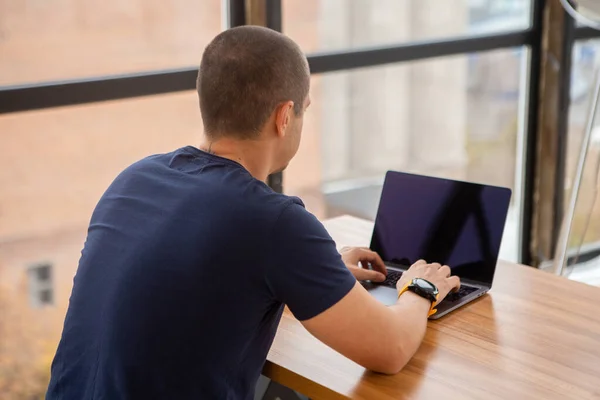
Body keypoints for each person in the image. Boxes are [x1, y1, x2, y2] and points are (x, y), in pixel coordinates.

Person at [46, 26, 460, 400]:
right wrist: (419, 288)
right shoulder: (274, 222)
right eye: (304, 109)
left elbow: (195, 276)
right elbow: (389, 350)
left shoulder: (133, 180)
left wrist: (315, 275)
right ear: (284, 117)